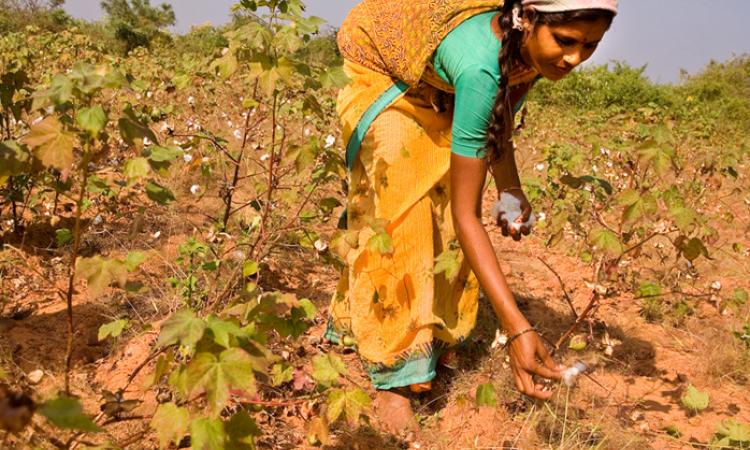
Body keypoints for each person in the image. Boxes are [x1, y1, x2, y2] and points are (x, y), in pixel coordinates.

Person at [325, 0, 617, 432]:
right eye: (566, 41)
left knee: (443, 200)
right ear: (527, 19)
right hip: (383, 78)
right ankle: (393, 378)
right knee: (405, 215)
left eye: (591, 45)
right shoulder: (481, 65)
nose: (575, 58)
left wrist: (511, 189)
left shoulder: (530, 55)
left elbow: (495, 120)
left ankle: (425, 333)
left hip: (440, 87)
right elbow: (470, 216)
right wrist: (517, 328)